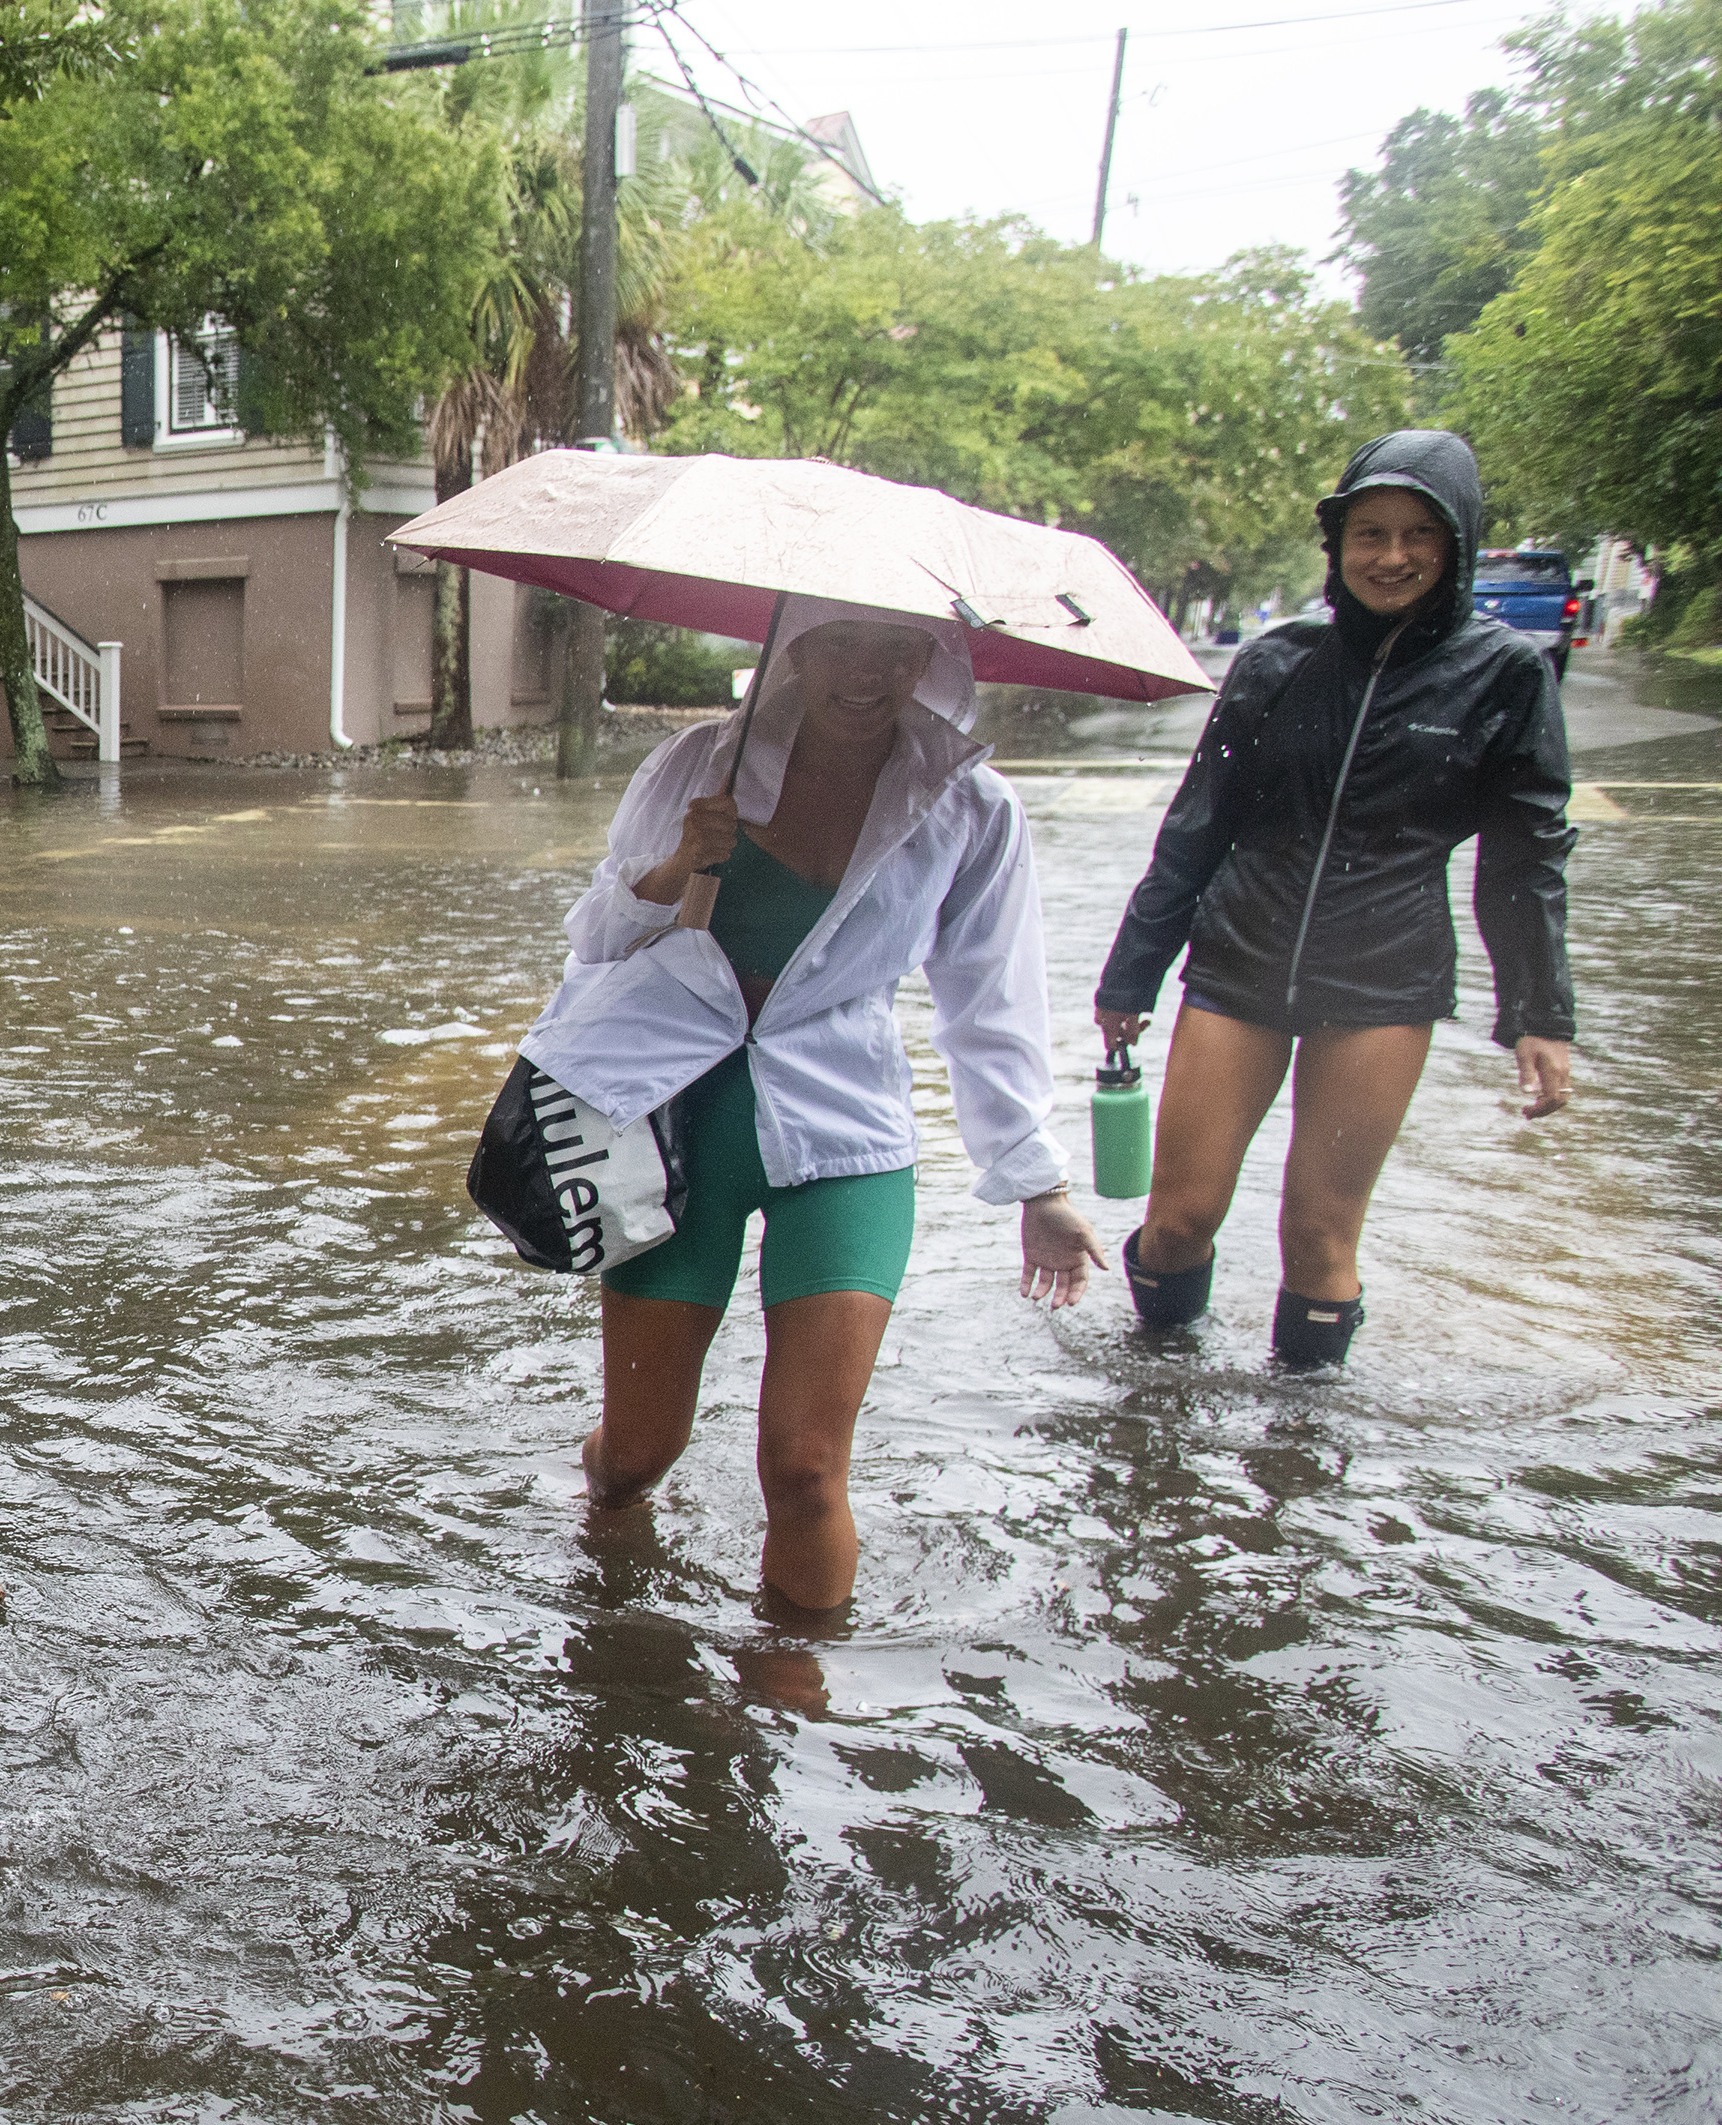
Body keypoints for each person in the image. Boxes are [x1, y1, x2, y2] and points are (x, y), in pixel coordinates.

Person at [534, 604, 1103, 1614]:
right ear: (797, 647)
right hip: (678, 1130)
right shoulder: (698, 764)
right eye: (841, 641)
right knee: (637, 1454)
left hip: (846, 1135)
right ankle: (601, 1546)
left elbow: (991, 995)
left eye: (896, 647)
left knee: (804, 1468)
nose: (866, 671)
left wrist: (1036, 1181)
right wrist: (675, 869)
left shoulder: (968, 805)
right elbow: (596, 940)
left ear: (928, 659)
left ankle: (792, 1714)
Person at [1093, 430, 1573, 1367]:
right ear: (1337, 544)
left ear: (1458, 546)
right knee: (1180, 1217)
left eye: (1417, 535)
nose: (1391, 557)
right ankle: (1149, 1397)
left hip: (1382, 981)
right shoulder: (1278, 663)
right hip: (1238, 963)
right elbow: (1196, 826)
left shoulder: (1505, 674)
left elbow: (1526, 859)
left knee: (1319, 1233)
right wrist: (1132, 975)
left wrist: (1539, 1013)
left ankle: (1302, 1449)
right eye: (1369, 533)